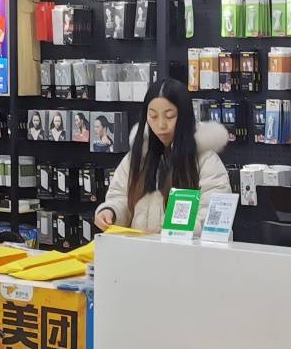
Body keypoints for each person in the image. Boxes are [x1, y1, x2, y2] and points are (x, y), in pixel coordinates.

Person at [94, 79, 231, 234]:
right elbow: (120, 195)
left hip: (183, 248)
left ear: (184, 117)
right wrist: (111, 211)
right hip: (139, 247)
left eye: (170, 116)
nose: (161, 125)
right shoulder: (138, 155)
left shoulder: (206, 160)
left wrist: (173, 231)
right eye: (153, 116)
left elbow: (213, 214)